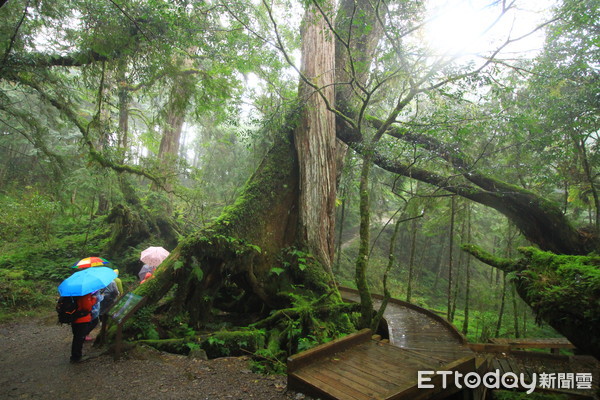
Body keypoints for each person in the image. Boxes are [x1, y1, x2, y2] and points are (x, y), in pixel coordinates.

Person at [70, 293, 96, 363]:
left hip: (74, 318)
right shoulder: (85, 295)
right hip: (82, 319)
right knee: (79, 338)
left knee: (76, 337)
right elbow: (87, 307)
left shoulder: (73, 293)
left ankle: (74, 356)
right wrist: (94, 299)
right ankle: (76, 357)